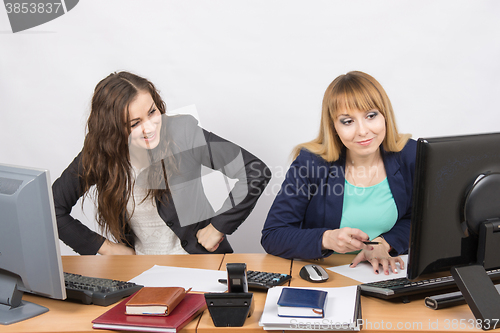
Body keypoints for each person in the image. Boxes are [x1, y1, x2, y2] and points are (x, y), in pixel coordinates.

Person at [53, 71, 270, 255]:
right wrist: (108, 248)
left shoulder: (182, 134)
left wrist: (218, 227)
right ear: (112, 130)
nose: (150, 127)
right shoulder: (99, 155)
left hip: (199, 263)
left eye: (152, 112)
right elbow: (52, 209)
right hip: (143, 273)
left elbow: (255, 171)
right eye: (135, 123)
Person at [261, 71, 416, 275]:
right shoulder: (310, 163)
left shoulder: (409, 154)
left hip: (384, 273)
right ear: (333, 127)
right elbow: (273, 235)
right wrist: (326, 239)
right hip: (328, 273)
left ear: (385, 115)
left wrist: (384, 243)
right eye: (347, 121)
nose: (362, 131)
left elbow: (419, 219)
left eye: (371, 116)